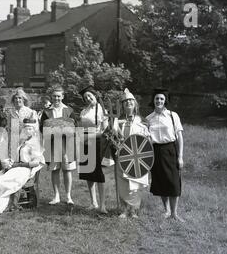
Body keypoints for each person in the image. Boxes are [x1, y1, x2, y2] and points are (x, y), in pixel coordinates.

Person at [146, 88, 184, 222]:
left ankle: (174, 213)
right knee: (161, 181)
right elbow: (146, 139)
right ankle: (166, 210)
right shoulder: (148, 119)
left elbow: (179, 137)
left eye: (161, 99)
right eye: (157, 98)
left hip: (170, 150)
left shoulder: (173, 116)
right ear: (153, 100)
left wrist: (180, 157)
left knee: (173, 182)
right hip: (155, 151)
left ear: (165, 101)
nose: (159, 101)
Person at [114, 88, 151, 219]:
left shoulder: (142, 120)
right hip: (123, 154)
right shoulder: (117, 120)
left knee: (135, 183)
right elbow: (114, 136)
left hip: (137, 156)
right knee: (123, 182)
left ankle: (134, 210)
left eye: (131, 101)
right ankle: (124, 209)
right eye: (125, 102)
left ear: (135, 103)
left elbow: (147, 139)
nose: (128, 103)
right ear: (123, 105)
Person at [40, 86, 77, 205]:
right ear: (52, 97)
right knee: (55, 170)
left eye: (58, 96)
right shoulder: (47, 112)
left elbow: (74, 126)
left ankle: (68, 196)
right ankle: (56, 196)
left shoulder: (69, 110)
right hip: (52, 143)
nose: (56, 98)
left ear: (63, 97)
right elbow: (43, 127)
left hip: (67, 144)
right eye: (54, 96)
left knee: (67, 170)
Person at [78, 86, 109, 213]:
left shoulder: (102, 110)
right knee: (88, 173)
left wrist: (89, 136)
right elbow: (80, 127)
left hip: (97, 143)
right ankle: (93, 202)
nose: (88, 98)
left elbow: (106, 131)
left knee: (98, 174)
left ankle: (102, 205)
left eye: (90, 96)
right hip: (85, 143)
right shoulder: (83, 112)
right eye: (85, 97)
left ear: (95, 96)